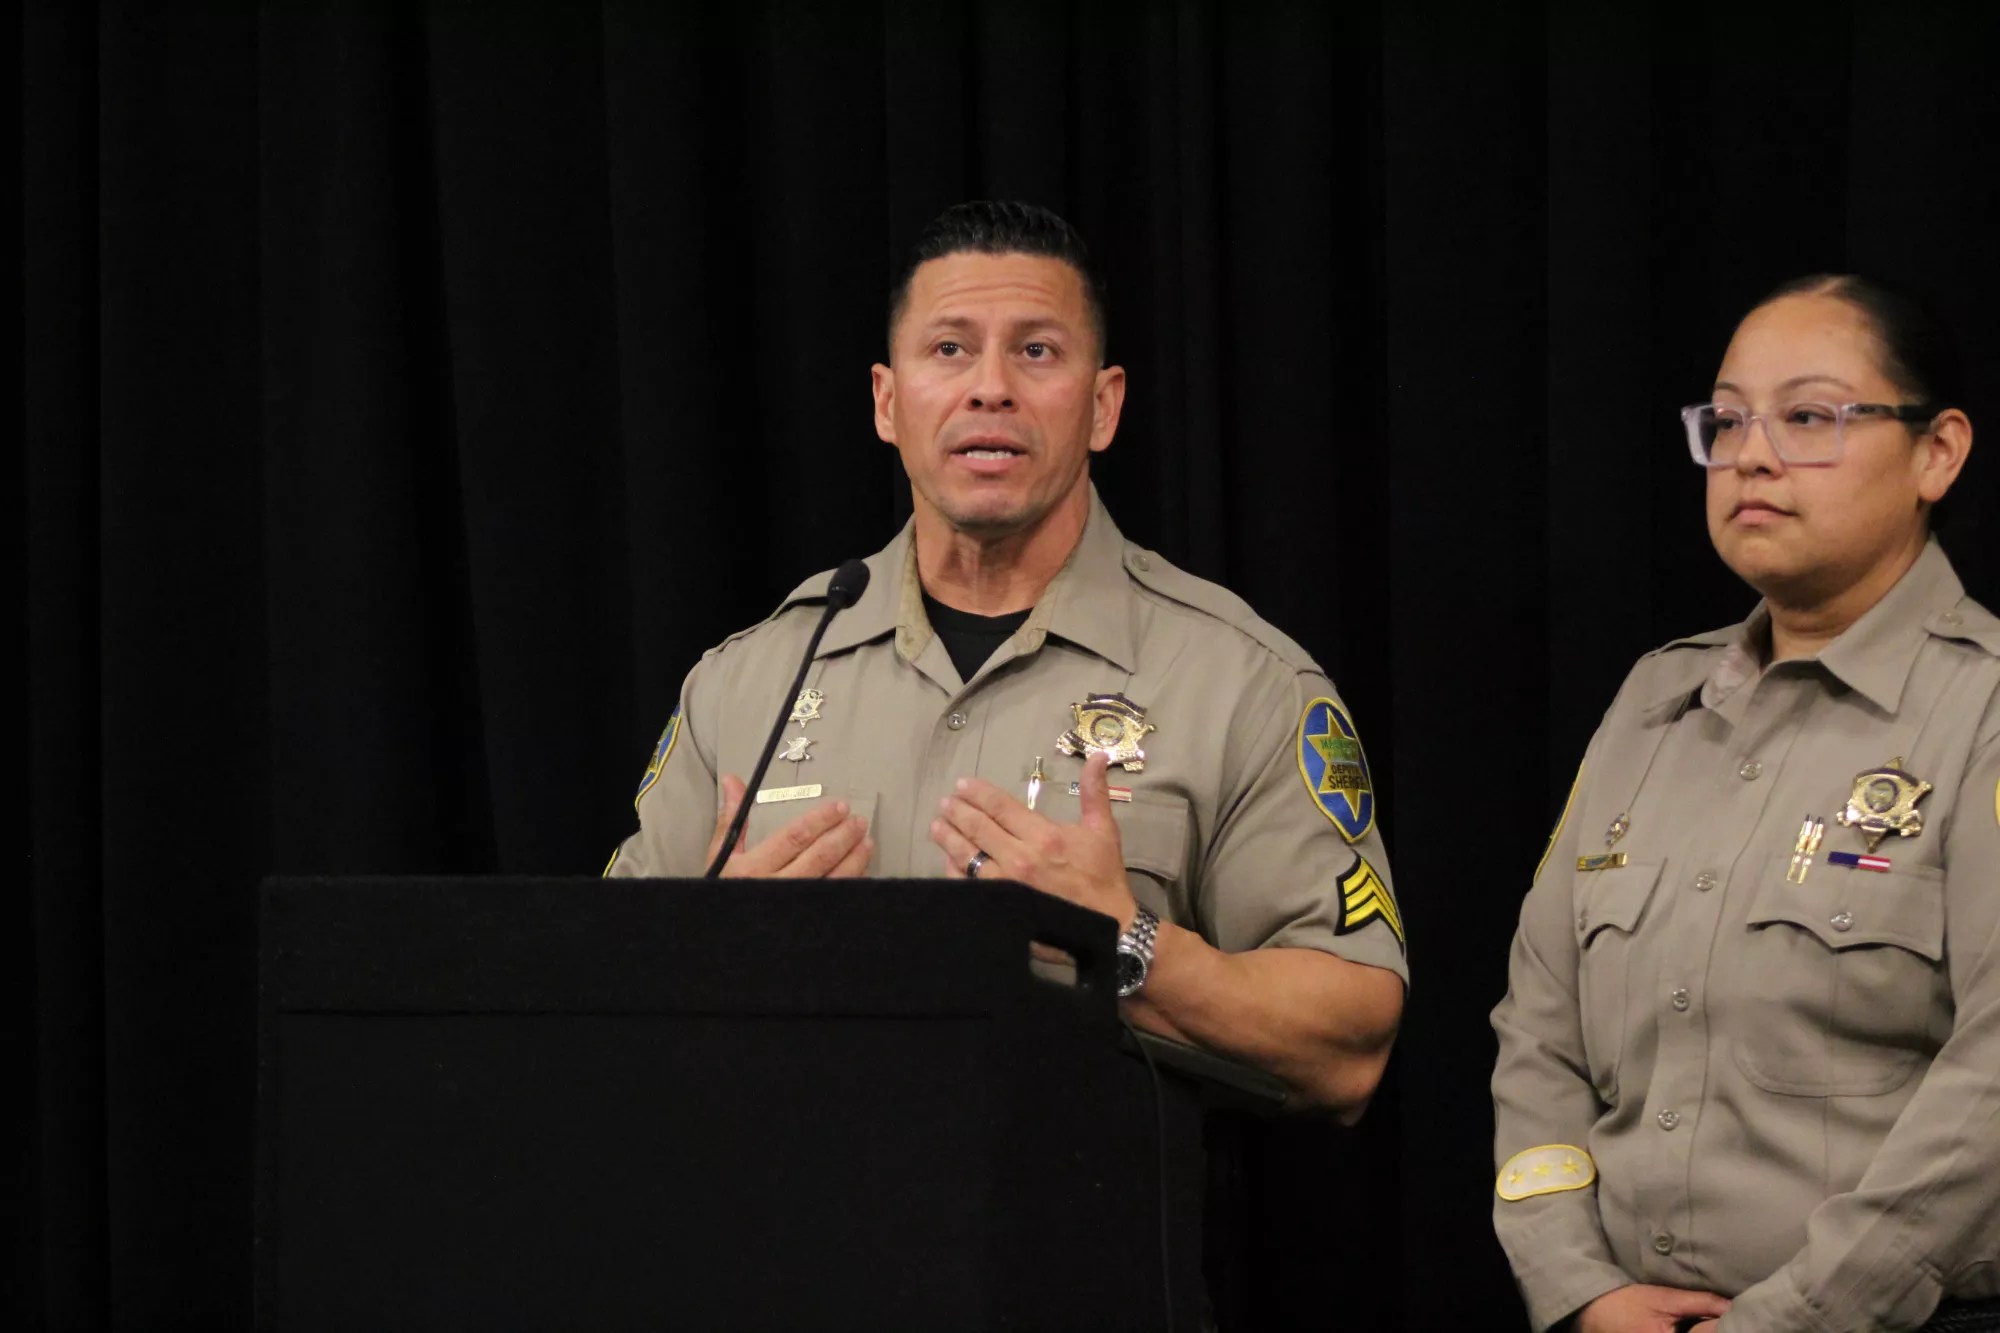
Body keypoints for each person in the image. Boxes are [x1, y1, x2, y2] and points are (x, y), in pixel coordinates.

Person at [605, 200, 1405, 1116]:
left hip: (1083, 1243)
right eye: (949, 349)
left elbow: (1353, 1036)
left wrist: (1129, 944)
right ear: (887, 401)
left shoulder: (1244, 683)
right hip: (779, 1243)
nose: (990, 388)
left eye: (1037, 351)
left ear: (1102, 407)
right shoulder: (747, 683)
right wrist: (702, 954)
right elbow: (593, 1000)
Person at [1491, 275, 2000, 1332]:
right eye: (1725, 422)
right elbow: (1538, 1024)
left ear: (1935, 452)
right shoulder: (1651, 699)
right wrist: (1571, 1279)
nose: (1751, 456)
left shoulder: (1981, 705)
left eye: (1808, 417)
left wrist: (1799, 1314)